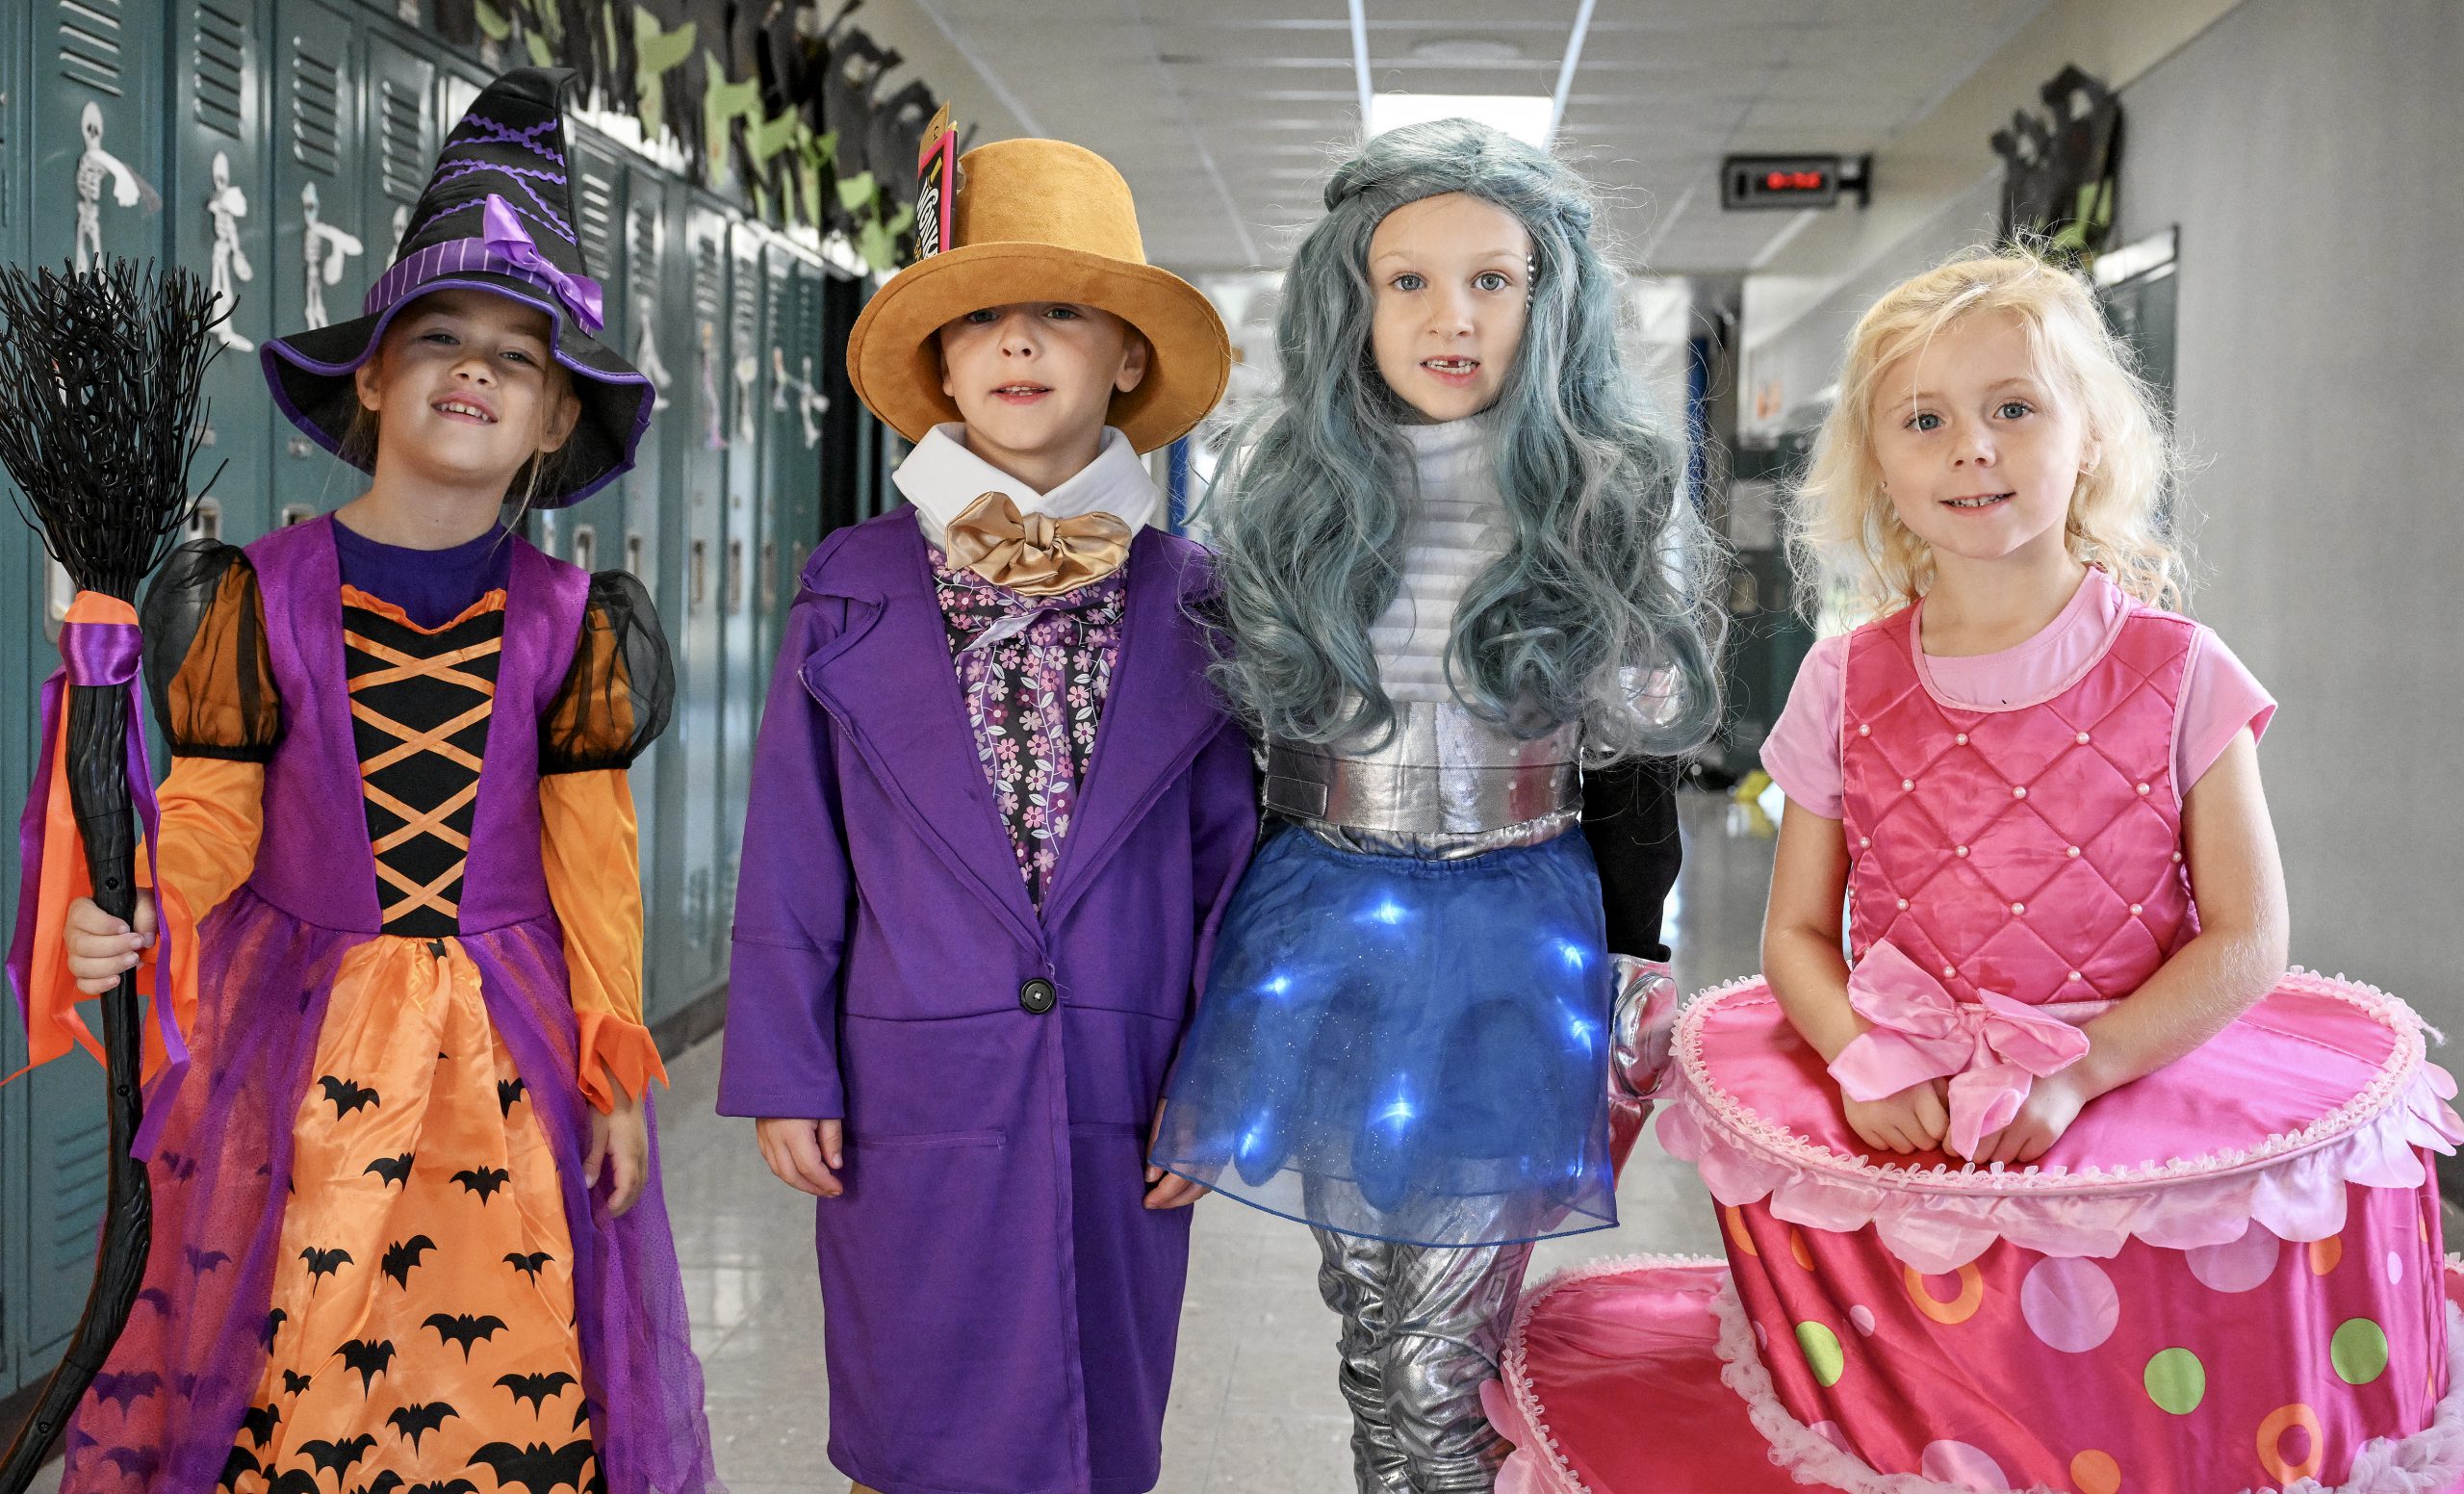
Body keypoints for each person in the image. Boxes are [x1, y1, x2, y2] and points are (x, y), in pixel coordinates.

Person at [1492, 251, 2464, 1494]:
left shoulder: (2182, 669)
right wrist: (1854, 1051)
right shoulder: (1843, 683)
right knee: (1949, 1425)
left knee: (2132, 1426)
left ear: (2091, 440)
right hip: (1917, 1120)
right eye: (1925, 420)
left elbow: (2245, 938)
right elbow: (1796, 930)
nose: (1972, 448)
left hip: (2126, 1099)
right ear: (1881, 472)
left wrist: (2084, 1069)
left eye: (2015, 407)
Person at [32, 66, 716, 1494]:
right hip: (294, 1040)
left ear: (549, 425)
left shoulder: (574, 625)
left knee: (497, 1384)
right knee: (287, 1357)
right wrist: (144, 909)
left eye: (517, 358)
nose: (475, 368)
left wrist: (615, 1067)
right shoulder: (255, 596)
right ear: (372, 376)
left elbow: (597, 870)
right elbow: (215, 812)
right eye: (441, 339)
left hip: (508, 1061)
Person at [1147, 118, 1723, 1494]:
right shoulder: (1288, 498)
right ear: (1351, 297)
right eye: (1408, 281)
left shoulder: (1601, 504)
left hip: (1511, 934)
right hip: (1320, 928)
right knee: (1370, 1333)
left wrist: (1637, 952)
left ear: (1552, 298)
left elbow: (1631, 769)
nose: (1451, 318)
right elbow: (1234, 762)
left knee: (1437, 1357)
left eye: (1494, 280)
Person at [717, 136, 1257, 1494]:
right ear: (943, 370)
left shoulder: (1198, 602)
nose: (1018, 345)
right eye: (979, 320)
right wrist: (785, 1064)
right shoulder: (854, 585)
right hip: (914, 1079)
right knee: (911, 1420)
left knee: (1097, 1418)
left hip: (1124, 1085)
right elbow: (795, 846)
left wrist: (1222, 1079)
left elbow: (1232, 874)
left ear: (1127, 358)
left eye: (1061, 313)